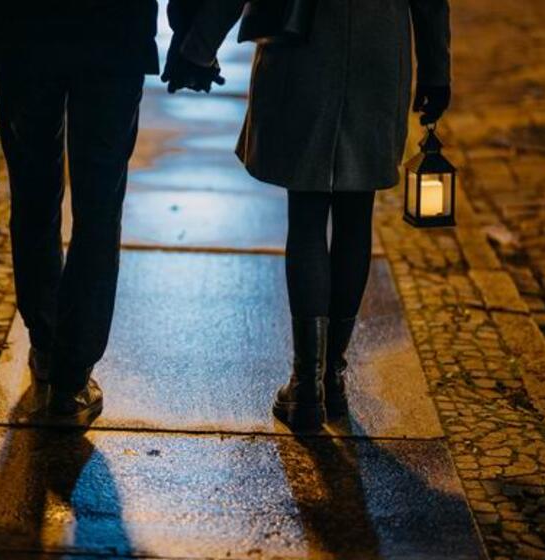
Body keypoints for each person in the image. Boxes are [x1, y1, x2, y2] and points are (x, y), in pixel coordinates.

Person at [164, 0, 451, 431]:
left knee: (306, 216)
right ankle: (332, 377)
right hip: (378, 46)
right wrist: (435, 68)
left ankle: (306, 386)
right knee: (357, 216)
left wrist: (198, 46)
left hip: (304, 45)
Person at [0, 0, 160, 425]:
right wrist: (194, 36)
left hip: (25, 32)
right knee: (99, 205)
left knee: (33, 195)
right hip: (114, 34)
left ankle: (46, 341)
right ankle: (72, 378)